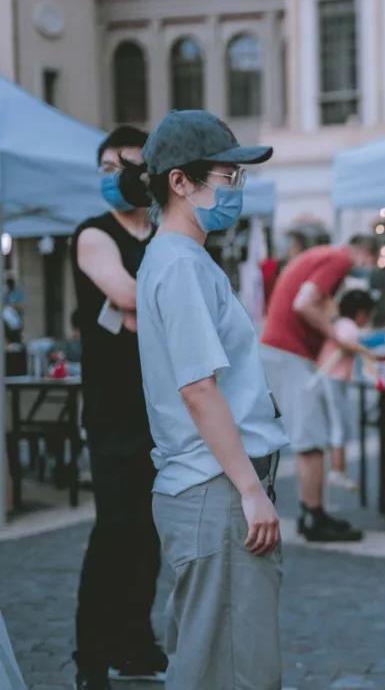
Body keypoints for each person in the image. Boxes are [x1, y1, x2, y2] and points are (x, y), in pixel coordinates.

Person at [126, 110, 288, 689]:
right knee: (229, 670)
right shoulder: (178, 262)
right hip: (214, 488)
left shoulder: (178, 259)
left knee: (214, 660)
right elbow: (198, 389)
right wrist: (250, 490)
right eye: (226, 177)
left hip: (206, 485)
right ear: (179, 181)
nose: (234, 190)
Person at [70, 125, 164, 690]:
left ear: (145, 171)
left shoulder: (161, 234)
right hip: (114, 409)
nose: (110, 177)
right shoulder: (92, 234)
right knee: (114, 532)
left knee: (151, 533)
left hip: (162, 406)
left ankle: (135, 640)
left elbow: (147, 304)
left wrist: (141, 309)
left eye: (120, 167)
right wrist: (144, 306)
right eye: (103, 168)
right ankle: (90, 655)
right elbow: (129, 298)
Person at [261, 233, 383, 542]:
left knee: (309, 433)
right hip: (288, 350)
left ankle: (312, 512)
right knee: (311, 435)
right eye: (371, 262)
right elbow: (304, 303)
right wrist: (336, 335)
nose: (367, 268)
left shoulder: (321, 254)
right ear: (365, 253)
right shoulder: (339, 259)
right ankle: (313, 516)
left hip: (282, 349)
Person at [314, 288, 376, 491]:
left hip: (331, 377)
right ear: (361, 314)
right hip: (332, 377)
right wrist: (366, 352)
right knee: (338, 423)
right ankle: (337, 471)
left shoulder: (341, 324)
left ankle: (337, 470)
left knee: (337, 423)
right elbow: (347, 345)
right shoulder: (349, 327)